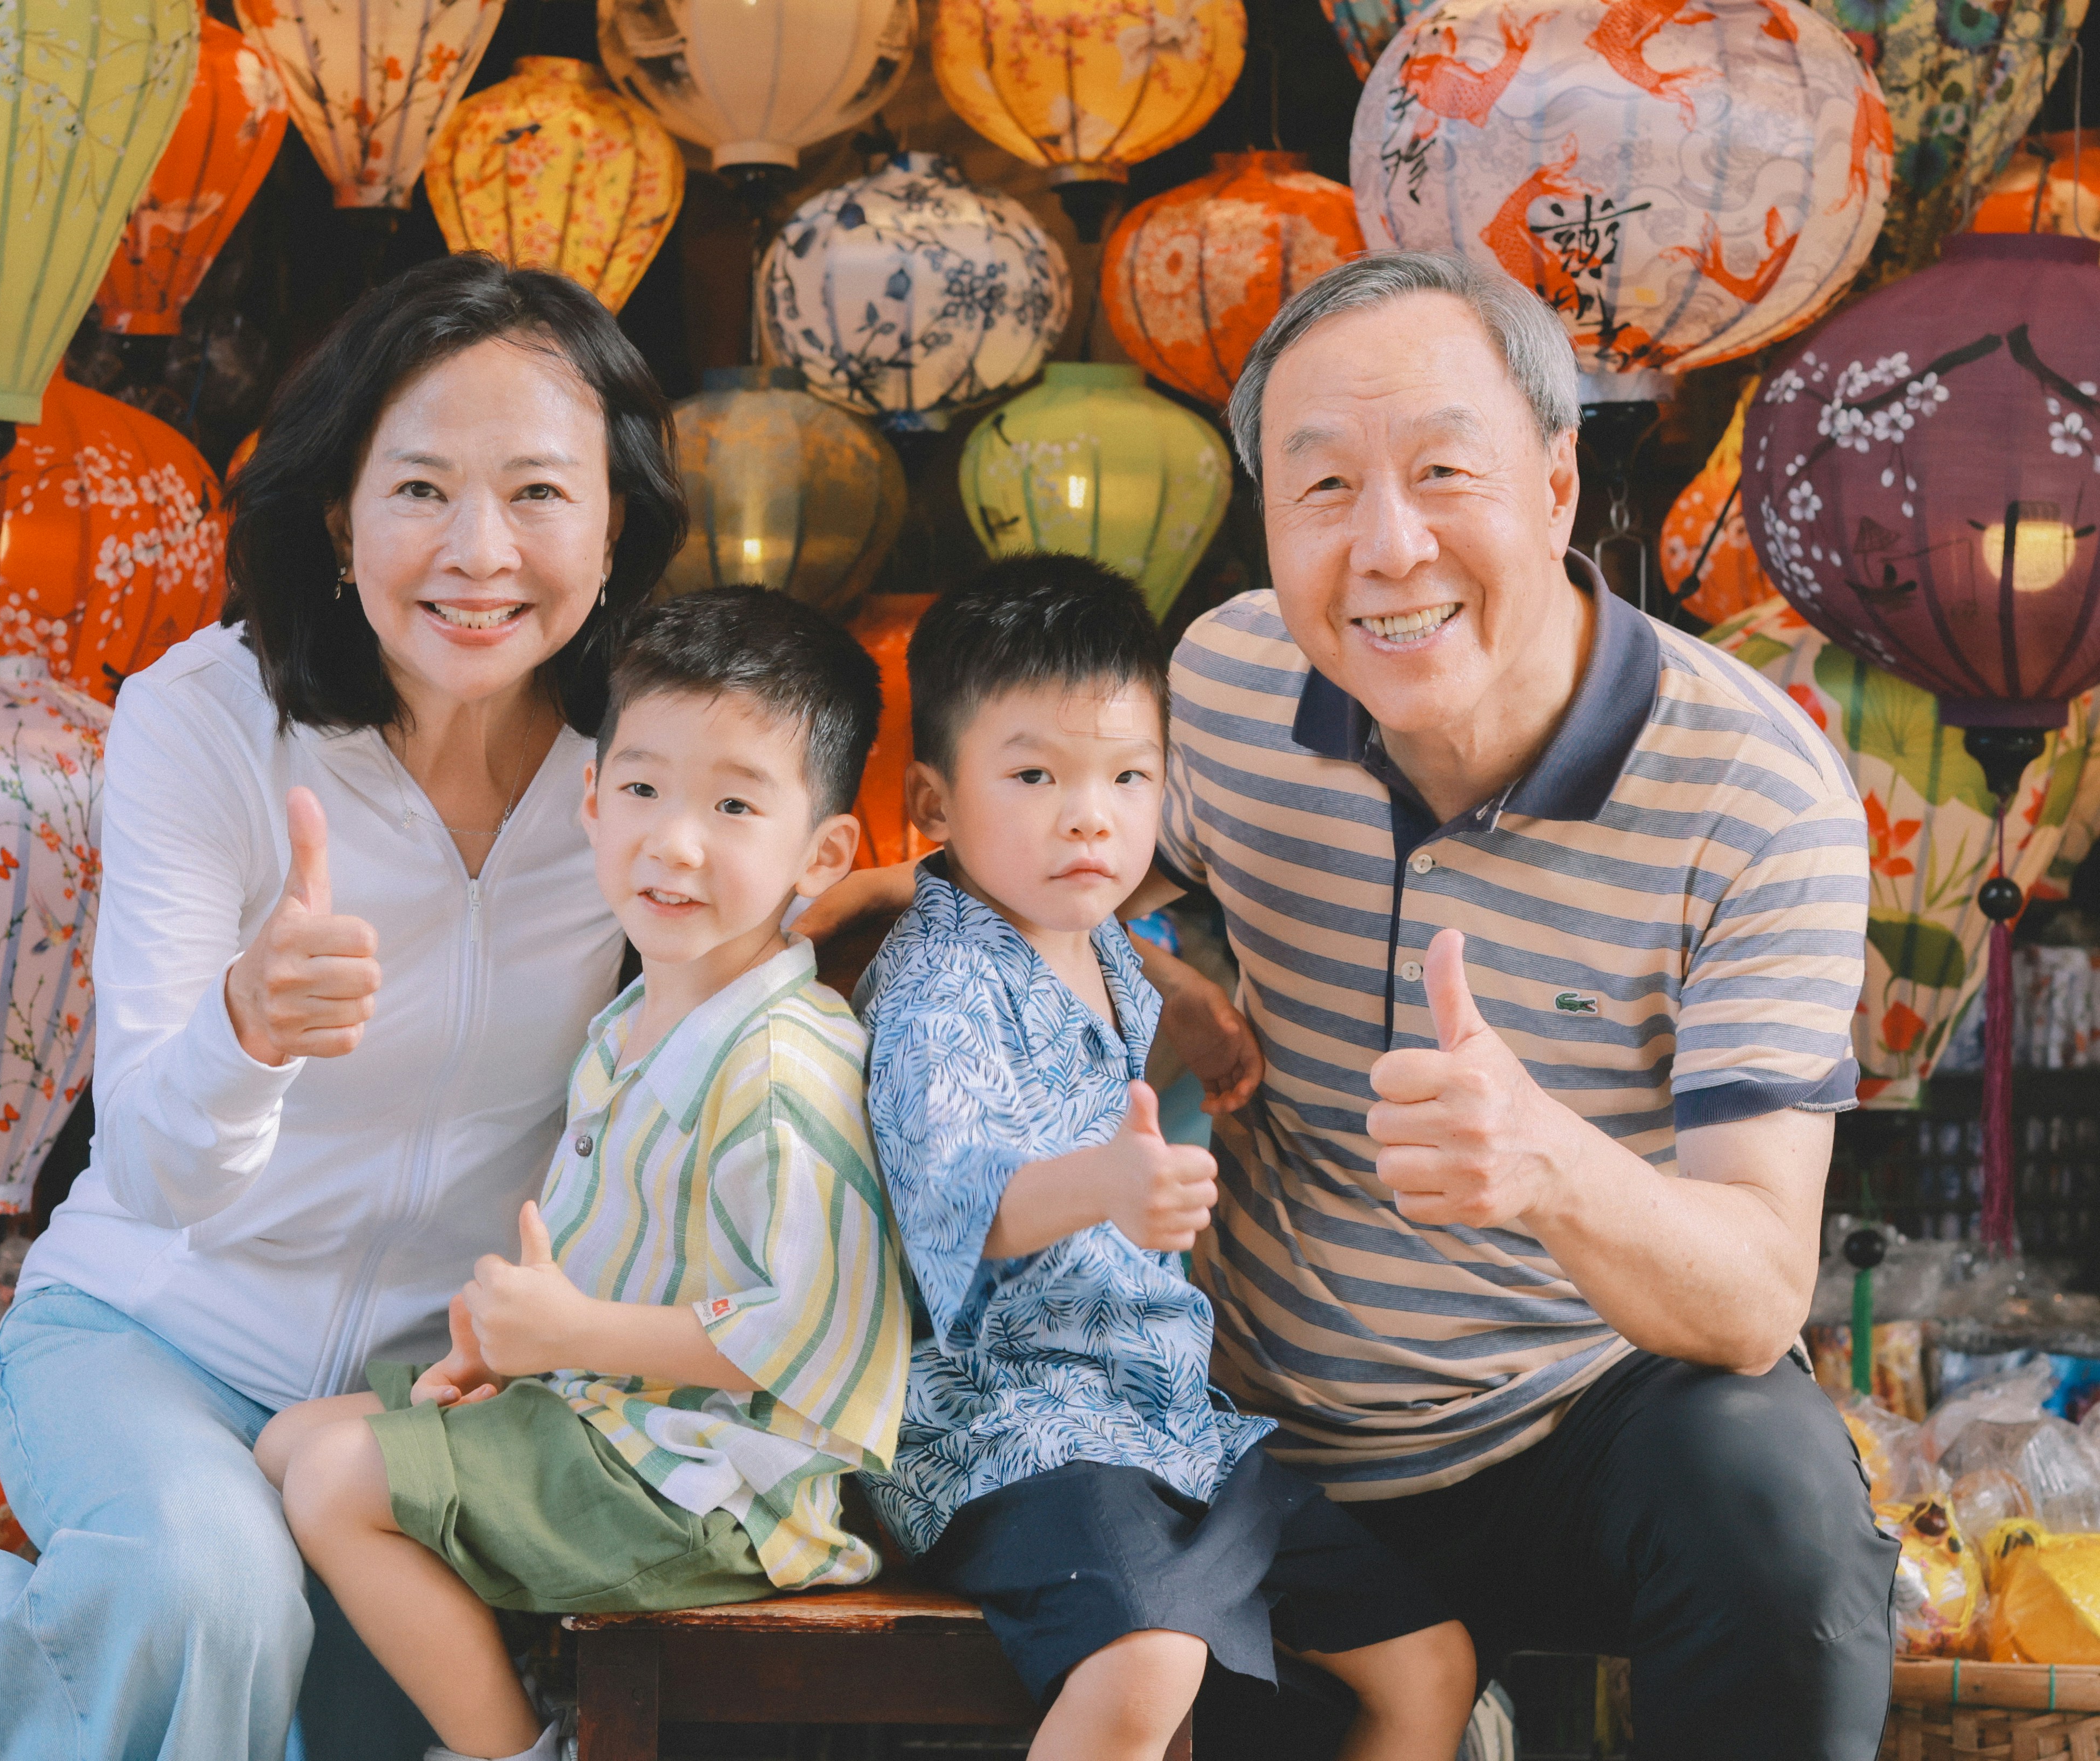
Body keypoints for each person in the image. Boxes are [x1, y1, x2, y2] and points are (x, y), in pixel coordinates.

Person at [1133, 250, 1896, 1757]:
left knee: (1777, 1499)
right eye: (1325, 489)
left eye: (1441, 471)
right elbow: (1066, 905)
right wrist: (1164, 985)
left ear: (1556, 486)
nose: (1390, 546)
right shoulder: (1219, 689)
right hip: (1261, 1433)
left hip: (1574, 1422)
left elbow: (1752, 1292)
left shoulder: (1757, 793)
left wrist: (1548, 1167)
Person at [0, 254, 692, 1761]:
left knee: (363, 1710)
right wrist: (248, 1026)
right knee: (210, 1588)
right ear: (338, 523)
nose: (480, 551)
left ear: (617, 531)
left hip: (414, 1405)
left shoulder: (653, 764)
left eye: (541, 493)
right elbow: (158, 1178)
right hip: (151, 1334)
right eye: (420, 487)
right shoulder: (208, 719)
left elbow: (764, 963)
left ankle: (67, 1653)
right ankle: (86, 1637)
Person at [252, 588, 911, 1761]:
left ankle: (517, 1752)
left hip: (718, 1486)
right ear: (592, 801)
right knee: (290, 1440)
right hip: (604, 1421)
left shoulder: (784, 1063)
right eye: (644, 789)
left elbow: (810, 1337)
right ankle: (505, 1704)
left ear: (821, 854)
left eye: (733, 804)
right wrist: (493, 1349)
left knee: (334, 1483)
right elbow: (581, 1263)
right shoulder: (626, 1025)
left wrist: (568, 1334)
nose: (674, 840)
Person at [855, 557, 1476, 1761]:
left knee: (1427, 1664)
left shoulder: (1106, 950)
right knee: (1149, 1668)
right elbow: (951, 1202)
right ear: (934, 801)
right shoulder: (939, 981)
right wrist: (1108, 1186)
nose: (1088, 813)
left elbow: (1136, 987)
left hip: (1166, 1423)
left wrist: (1191, 1009)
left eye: (1127, 776)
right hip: (1011, 1429)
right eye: (1033, 775)